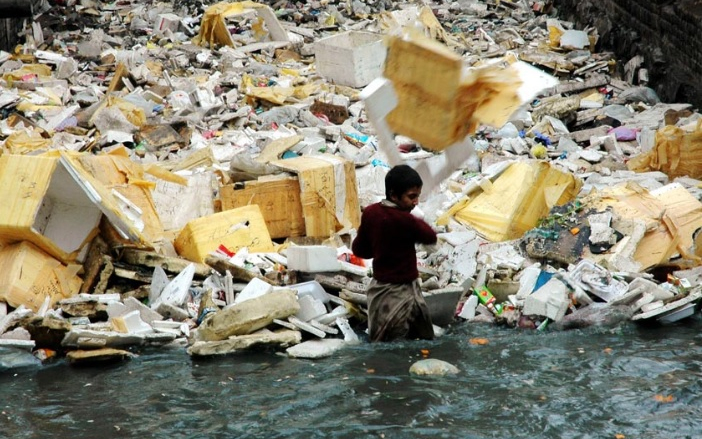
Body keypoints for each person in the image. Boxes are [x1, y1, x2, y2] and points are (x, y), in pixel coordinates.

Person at [352, 164, 437, 342]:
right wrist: (414, 221)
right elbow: (430, 236)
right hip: (401, 291)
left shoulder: (370, 212)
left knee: (386, 342)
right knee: (409, 341)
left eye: (418, 197)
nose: (416, 202)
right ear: (393, 195)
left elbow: (360, 250)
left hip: (381, 290)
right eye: (412, 197)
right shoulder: (405, 220)